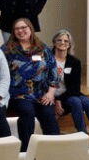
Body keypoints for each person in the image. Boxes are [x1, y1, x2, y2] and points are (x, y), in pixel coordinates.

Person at [4, 18, 60, 151]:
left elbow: (54, 71)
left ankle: (54, 150)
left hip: (42, 94)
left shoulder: (43, 48)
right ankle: (26, 150)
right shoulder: (7, 50)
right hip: (19, 94)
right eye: (17, 29)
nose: (21, 31)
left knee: (48, 115)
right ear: (13, 32)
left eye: (24, 27)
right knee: (27, 113)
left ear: (31, 29)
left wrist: (50, 93)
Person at [51, 29, 89, 136]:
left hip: (69, 94)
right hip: (54, 95)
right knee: (75, 102)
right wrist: (56, 99)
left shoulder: (74, 62)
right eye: (59, 40)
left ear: (70, 44)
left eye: (66, 41)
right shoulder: (48, 60)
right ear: (54, 42)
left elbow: (75, 87)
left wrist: (60, 99)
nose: (62, 43)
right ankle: (83, 136)